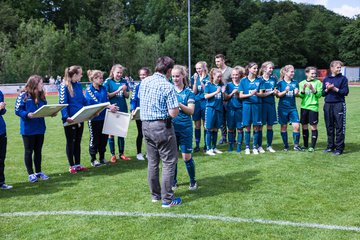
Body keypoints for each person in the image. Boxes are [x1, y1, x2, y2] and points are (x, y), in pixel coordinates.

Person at [139, 56, 182, 208]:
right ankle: (167, 200)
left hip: (145, 125)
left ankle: (155, 195)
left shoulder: (144, 81)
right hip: (162, 126)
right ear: (169, 70)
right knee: (169, 162)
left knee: (152, 162)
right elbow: (174, 112)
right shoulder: (167, 86)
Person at [15, 75, 49, 182]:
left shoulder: (42, 95)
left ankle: (38, 172)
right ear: (34, 84)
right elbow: (17, 110)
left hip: (40, 128)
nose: (42, 85)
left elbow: (44, 108)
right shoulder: (23, 95)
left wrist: (50, 112)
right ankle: (31, 174)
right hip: (28, 129)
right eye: (41, 83)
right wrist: (27, 114)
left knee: (38, 151)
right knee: (29, 151)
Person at [171, 65, 197, 191]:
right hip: (171, 128)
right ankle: (173, 181)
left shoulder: (189, 92)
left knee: (186, 156)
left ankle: (193, 181)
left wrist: (179, 104)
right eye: (173, 76)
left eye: (177, 76)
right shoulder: (169, 91)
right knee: (173, 157)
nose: (175, 79)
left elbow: (191, 111)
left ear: (183, 76)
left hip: (185, 128)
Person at [85, 70, 118, 167]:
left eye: (102, 78)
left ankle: (102, 158)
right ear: (93, 79)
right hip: (94, 119)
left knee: (103, 139)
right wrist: (108, 106)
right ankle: (93, 159)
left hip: (104, 117)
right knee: (94, 139)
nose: (101, 80)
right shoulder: (89, 90)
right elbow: (95, 102)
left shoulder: (103, 88)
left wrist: (112, 107)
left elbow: (106, 101)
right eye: (99, 78)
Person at [59, 65, 89, 173]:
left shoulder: (78, 85)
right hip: (70, 119)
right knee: (70, 142)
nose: (82, 75)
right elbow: (63, 103)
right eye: (80, 73)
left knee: (78, 142)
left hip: (80, 117)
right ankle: (71, 165)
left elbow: (83, 100)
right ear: (75, 75)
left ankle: (77, 164)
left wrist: (91, 110)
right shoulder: (64, 86)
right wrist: (66, 117)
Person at [103, 64, 131, 162]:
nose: (119, 74)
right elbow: (107, 96)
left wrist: (124, 91)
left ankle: (121, 154)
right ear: (113, 72)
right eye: (117, 72)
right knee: (111, 133)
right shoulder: (108, 81)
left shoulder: (124, 81)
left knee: (121, 133)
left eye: (121, 73)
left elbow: (127, 96)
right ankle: (112, 154)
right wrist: (118, 90)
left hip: (122, 108)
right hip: (112, 109)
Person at [322, 60, 349, 156]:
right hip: (328, 105)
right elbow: (323, 93)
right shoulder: (326, 79)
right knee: (329, 126)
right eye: (337, 67)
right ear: (332, 68)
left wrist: (334, 88)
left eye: (340, 67)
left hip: (339, 105)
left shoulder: (343, 79)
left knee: (339, 127)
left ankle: (339, 148)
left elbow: (345, 92)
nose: (339, 69)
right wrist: (327, 89)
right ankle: (330, 147)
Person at [276, 65, 302, 151]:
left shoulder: (295, 83)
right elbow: (278, 95)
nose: (293, 73)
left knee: (297, 126)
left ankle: (296, 145)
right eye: (291, 72)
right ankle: (286, 146)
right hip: (282, 108)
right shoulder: (280, 83)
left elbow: (297, 95)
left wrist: (296, 93)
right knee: (284, 126)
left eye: (293, 72)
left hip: (292, 108)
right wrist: (285, 91)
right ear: (285, 73)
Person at [239, 62, 263, 155]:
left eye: (257, 68)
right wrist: (250, 94)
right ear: (249, 69)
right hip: (247, 105)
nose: (256, 70)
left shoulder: (259, 80)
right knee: (247, 127)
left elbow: (261, 93)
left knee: (256, 127)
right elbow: (241, 95)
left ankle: (255, 147)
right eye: (254, 68)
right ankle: (247, 147)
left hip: (257, 105)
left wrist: (257, 94)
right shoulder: (243, 81)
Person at [298, 66, 322, 152]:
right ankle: (305, 145)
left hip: (313, 107)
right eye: (312, 73)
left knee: (313, 127)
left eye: (315, 73)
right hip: (304, 107)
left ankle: (312, 146)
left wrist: (312, 89)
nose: (314, 75)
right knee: (304, 126)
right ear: (306, 73)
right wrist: (303, 89)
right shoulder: (301, 83)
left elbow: (319, 95)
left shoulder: (318, 82)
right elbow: (301, 96)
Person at [130, 67, 151, 161]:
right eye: (141, 75)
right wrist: (132, 109)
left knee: (150, 134)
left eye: (144, 75)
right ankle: (139, 153)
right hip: (139, 113)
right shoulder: (137, 86)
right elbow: (133, 99)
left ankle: (149, 152)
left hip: (150, 113)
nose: (142, 76)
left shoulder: (152, 85)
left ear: (148, 75)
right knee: (141, 133)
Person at [258, 61, 278, 153]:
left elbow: (276, 90)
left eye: (272, 68)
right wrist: (271, 92)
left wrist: (276, 92)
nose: (271, 69)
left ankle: (269, 146)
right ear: (264, 69)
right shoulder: (259, 79)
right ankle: (259, 146)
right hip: (261, 105)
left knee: (270, 126)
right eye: (270, 68)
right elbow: (260, 94)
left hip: (271, 105)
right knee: (260, 126)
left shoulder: (273, 79)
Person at [204, 68, 225, 156]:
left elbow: (222, 97)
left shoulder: (221, 85)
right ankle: (208, 148)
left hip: (219, 109)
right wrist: (216, 92)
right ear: (213, 76)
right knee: (209, 128)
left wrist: (223, 92)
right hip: (210, 109)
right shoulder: (208, 84)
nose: (219, 78)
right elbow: (206, 96)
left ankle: (214, 147)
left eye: (220, 76)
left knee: (216, 128)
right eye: (218, 76)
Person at [190, 61, 210, 153]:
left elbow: (206, 90)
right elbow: (194, 92)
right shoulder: (194, 77)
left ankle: (206, 144)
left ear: (204, 68)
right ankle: (197, 145)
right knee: (197, 125)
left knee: (205, 124)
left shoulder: (209, 77)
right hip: (196, 102)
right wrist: (195, 81)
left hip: (205, 102)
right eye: (197, 68)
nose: (198, 70)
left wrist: (202, 82)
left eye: (200, 68)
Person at [225, 67, 245, 152]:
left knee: (240, 128)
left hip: (240, 109)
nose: (235, 76)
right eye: (233, 74)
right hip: (230, 110)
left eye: (236, 74)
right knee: (230, 128)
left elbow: (244, 98)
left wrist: (238, 94)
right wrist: (232, 93)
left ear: (240, 75)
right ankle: (230, 146)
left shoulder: (243, 84)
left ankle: (239, 146)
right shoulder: (229, 85)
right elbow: (225, 98)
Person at [215, 54, 232, 144]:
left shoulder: (230, 71)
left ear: (223, 61)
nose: (217, 63)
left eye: (218, 61)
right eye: (216, 61)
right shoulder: (216, 71)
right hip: (219, 99)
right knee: (221, 120)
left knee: (231, 118)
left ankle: (232, 137)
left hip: (229, 99)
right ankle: (223, 137)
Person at [0, 90, 12, 189]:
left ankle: (1, 182)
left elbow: (2, 112)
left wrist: (3, 108)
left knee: (1, 158)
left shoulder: (0, 93)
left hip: (1, 130)